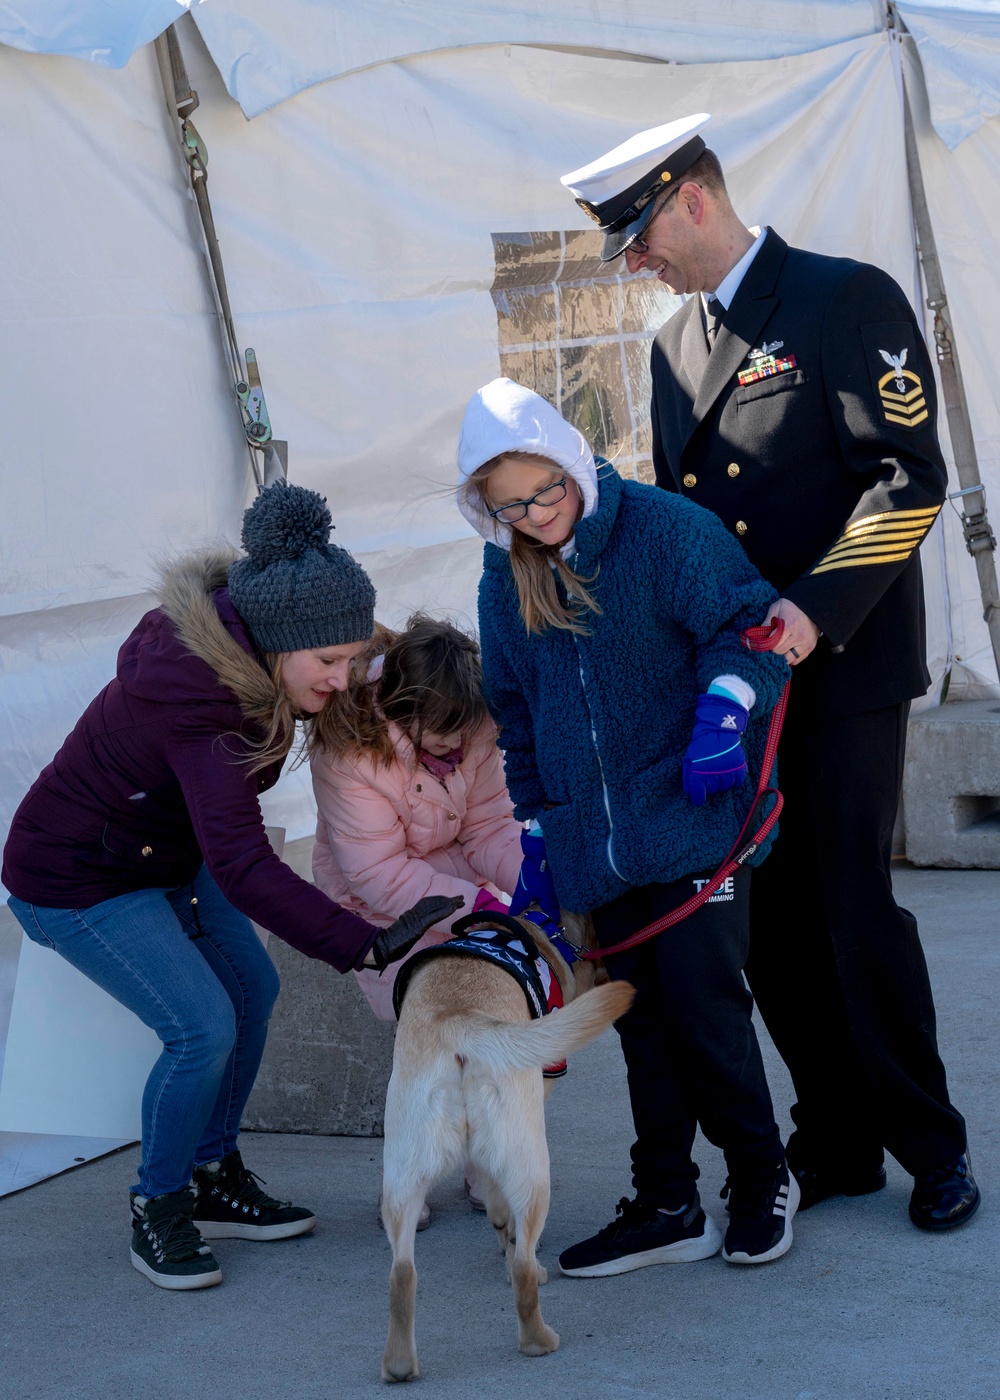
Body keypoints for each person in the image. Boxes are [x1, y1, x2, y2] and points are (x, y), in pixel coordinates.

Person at [560, 113, 979, 1231]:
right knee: (773, 920)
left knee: (850, 905)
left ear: (692, 198)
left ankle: (930, 1146)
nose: (634, 260)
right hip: (735, 681)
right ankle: (834, 1137)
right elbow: (686, 530)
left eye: (638, 234)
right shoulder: (669, 350)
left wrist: (810, 612)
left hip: (840, 662)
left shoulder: (844, 298)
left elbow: (907, 478)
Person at [1, 481, 462, 1291]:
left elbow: (371, 654)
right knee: (201, 1025)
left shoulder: (278, 645)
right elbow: (244, 867)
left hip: (163, 851)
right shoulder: (204, 705)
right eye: (329, 663)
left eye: (352, 660)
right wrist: (362, 944)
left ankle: (214, 1175)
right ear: (280, 646)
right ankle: (160, 1203)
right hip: (76, 877)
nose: (343, 679)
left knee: (252, 986)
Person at [456, 375, 796, 1275]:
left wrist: (726, 707)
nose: (534, 515)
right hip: (595, 844)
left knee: (702, 1006)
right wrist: (536, 825)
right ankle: (667, 1200)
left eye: (546, 489)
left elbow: (746, 626)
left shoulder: (661, 529)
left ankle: (761, 1177)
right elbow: (515, 709)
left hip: (695, 816)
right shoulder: (507, 576)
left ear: (573, 462)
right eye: (510, 506)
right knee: (639, 1019)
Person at [310, 613, 528, 1223]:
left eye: (466, 732)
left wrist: (530, 885)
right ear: (402, 711)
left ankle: (486, 1162)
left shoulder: (471, 720)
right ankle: (405, 1181)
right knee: (428, 1043)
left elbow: (488, 824)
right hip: (381, 906)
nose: (458, 747)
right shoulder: (347, 750)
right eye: (443, 735)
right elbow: (376, 873)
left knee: (492, 1022)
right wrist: (476, 906)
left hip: (457, 877)